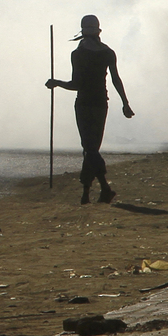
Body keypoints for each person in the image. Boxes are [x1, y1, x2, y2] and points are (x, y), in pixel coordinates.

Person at [46, 14, 135, 205]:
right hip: (102, 103)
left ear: (83, 33)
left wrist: (56, 83)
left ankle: (104, 188)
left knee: (89, 148)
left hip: (84, 104)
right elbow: (115, 80)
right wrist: (125, 103)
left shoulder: (78, 54)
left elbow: (76, 84)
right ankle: (86, 193)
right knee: (92, 147)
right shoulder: (107, 52)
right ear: (98, 31)